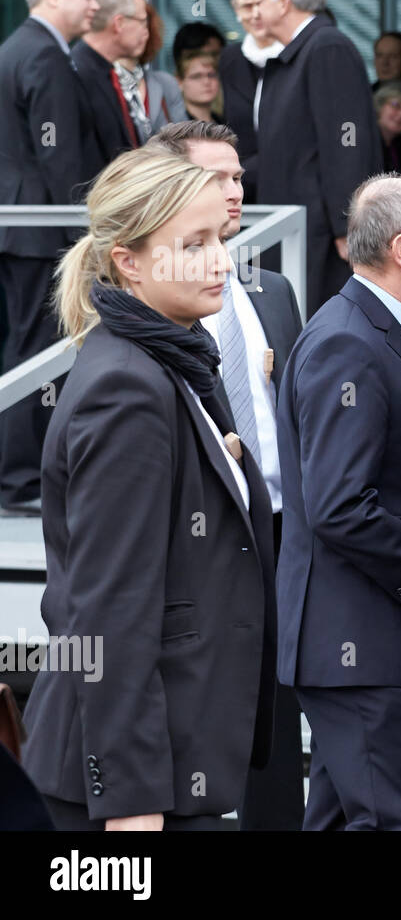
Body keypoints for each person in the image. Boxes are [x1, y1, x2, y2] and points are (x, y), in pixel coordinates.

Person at [21, 148, 278, 831]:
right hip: (136, 791)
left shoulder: (171, 359)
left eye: (219, 241)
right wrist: (132, 801)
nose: (221, 262)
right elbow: (110, 610)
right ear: (128, 261)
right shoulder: (126, 388)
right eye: (191, 245)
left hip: (180, 762)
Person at [276, 175, 401, 830]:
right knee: (398, 818)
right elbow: (339, 507)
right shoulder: (347, 342)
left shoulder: (367, 331)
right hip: (360, 642)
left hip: (364, 644)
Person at [147, 119, 306, 829]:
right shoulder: (156, 306)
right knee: (210, 711)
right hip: (200, 539)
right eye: (216, 179)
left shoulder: (270, 290)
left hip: (280, 530)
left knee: (276, 716)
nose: (235, 191)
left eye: (238, 177)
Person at [0, 0, 98, 516]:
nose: (94, 5)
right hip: (41, 229)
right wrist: (82, 230)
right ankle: (19, 482)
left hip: (23, 223)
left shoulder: (19, 46)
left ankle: (18, 478)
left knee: (28, 346)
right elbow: (60, 157)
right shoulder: (43, 53)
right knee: (35, 353)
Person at [254, 0, 381, 316]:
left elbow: (346, 144)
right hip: (295, 225)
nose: (255, 9)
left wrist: (348, 226)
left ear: (284, 3)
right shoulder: (300, 51)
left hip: (322, 236)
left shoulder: (327, 46)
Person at [219, 0, 283, 203]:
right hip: (244, 191)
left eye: (261, 3)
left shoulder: (299, 55)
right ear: (236, 11)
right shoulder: (230, 60)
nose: (256, 13)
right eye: (247, 6)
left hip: (293, 186)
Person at [70, 0, 150, 167]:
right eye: (142, 21)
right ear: (119, 23)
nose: (146, 32)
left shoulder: (103, 70)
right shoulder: (76, 75)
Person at [115, 0, 186, 138]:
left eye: (146, 25)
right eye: (135, 24)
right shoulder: (101, 79)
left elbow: (183, 139)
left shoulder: (166, 83)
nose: (143, 32)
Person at [177, 49, 223, 123]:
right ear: (180, 82)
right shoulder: (175, 127)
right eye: (197, 76)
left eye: (211, 75)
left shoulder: (224, 122)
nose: (206, 82)